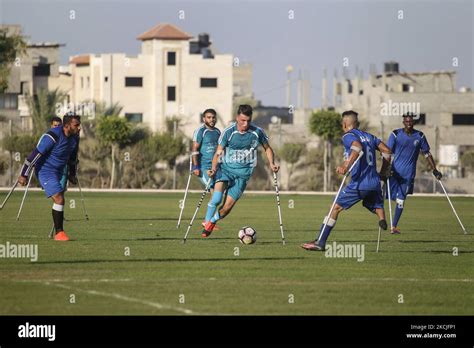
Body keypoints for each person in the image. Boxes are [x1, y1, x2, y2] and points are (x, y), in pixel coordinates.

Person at [302, 110, 392, 251]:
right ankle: (382, 219)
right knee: (373, 203)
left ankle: (320, 242)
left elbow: (357, 146)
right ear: (358, 123)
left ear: (344, 124)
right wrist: (383, 173)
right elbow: (386, 151)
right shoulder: (369, 136)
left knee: (335, 208)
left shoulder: (348, 136)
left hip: (359, 183)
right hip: (374, 183)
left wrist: (345, 165)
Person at [201, 104, 279, 237]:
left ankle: (212, 221)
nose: (245, 123)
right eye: (243, 120)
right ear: (237, 118)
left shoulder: (257, 132)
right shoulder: (229, 132)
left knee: (226, 209)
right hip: (225, 170)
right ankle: (206, 222)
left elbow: (267, 148)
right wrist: (214, 168)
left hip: (242, 176)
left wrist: (272, 163)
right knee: (217, 198)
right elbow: (218, 153)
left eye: (248, 120)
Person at [18, 113, 81, 241]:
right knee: (59, 198)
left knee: (60, 198)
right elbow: (35, 155)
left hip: (60, 171)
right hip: (45, 171)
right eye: (76, 125)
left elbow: (73, 158)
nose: (79, 128)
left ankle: (58, 232)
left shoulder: (75, 138)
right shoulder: (52, 136)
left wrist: (72, 174)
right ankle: (59, 233)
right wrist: (24, 174)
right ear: (67, 125)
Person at [385, 112, 442, 234]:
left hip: (408, 175)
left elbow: (427, 153)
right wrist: (387, 167)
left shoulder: (420, 136)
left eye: (411, 122)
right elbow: (387, 152)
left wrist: (434, 169)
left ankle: (394, 226)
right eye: (407, 122)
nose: (409, 124)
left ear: (413, 123)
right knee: (389, 197)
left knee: (401, 200)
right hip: (394, 173)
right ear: (403, 123)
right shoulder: (395, 134)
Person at [192, 108, 221, 191]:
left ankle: (213, 204)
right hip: (203, 167)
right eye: (209, 117)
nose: (211, 119)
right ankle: (213, 204)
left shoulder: (217, 132)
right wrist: (196, 167)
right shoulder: (200, 131)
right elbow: (194, 149)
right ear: (204, 119)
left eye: (213, 117)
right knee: (213, 188)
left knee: (220, 189)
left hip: (215, 167)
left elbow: (220, 149)